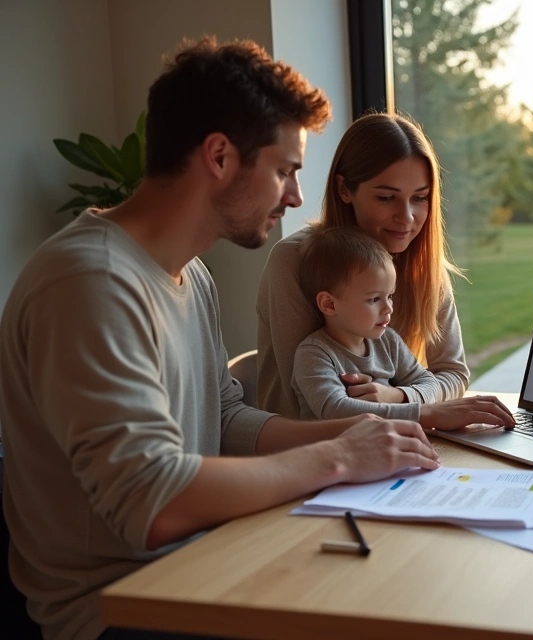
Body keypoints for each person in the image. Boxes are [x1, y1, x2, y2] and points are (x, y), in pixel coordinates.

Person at [0, 38, 443, 640]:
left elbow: (227, 420)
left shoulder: (192, 273)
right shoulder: (92, 282)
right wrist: (338, 457)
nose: (292, 197)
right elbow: (153, 503)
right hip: (118, 608)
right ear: (219, 157)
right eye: (284, 170)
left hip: (200, 562)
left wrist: (368, 432)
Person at [256, 113, 512, 429]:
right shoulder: (294, 261)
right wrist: (423, 409)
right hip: (305, 448)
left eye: (419, 198)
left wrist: (401, 397)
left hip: (389, 436)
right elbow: (307, 402)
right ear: (344, 189)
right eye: (387, 197)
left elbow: (453, 373)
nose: (406, 217)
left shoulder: (424, 267)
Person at [292, 226, 441, 420]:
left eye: (390, 296)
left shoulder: (388, 340)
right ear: (329, 304)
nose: (388, 308)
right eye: (374, 299)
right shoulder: (313, 355)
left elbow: (430, 383)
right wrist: (424, 414)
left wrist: (396, 396)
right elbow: (336, 410)